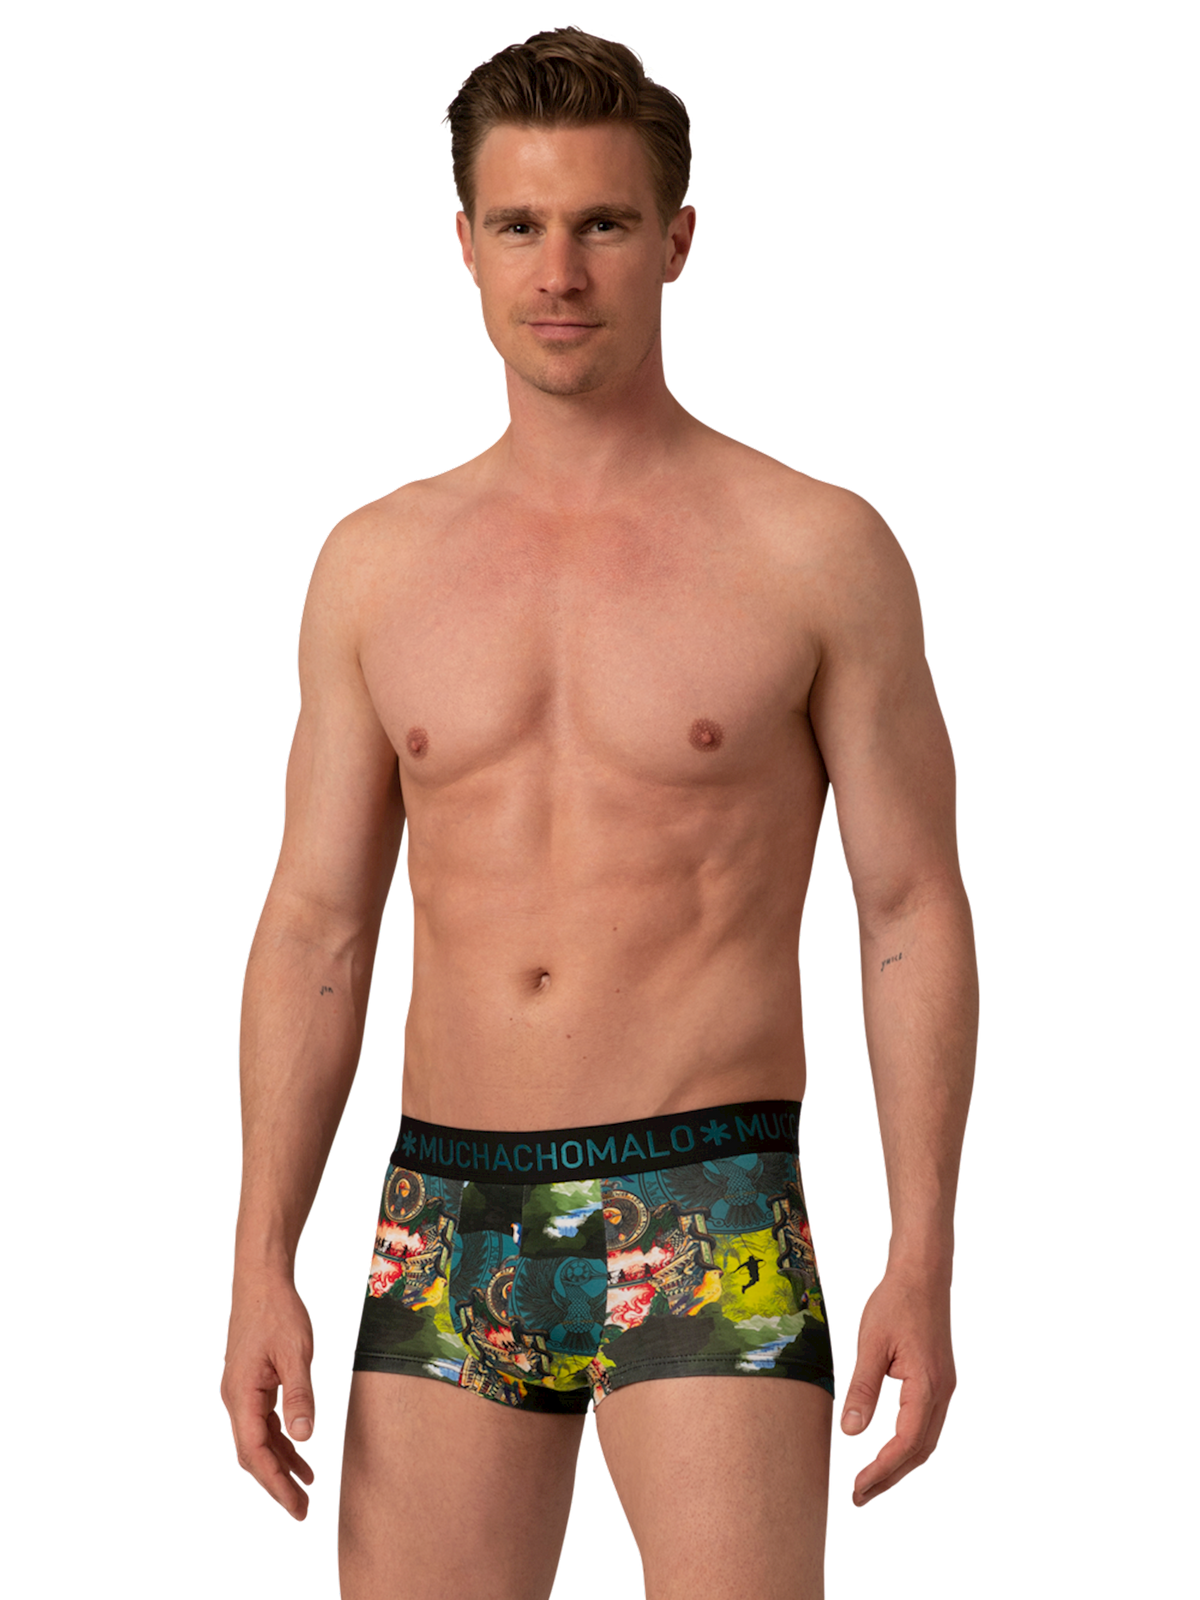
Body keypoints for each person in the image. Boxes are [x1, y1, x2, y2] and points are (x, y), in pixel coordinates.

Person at [221, 24, 980, 1600]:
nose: (559, 271)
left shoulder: (814, 547)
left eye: (603, 223)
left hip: (710, 1193)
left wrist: (924, 1252)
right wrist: (259, 1257)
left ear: (679, 239)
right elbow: (318, 925)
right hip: (444, 1207)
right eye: (520, 224)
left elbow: (911, 910)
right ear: (464, 243)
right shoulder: (373, 561)